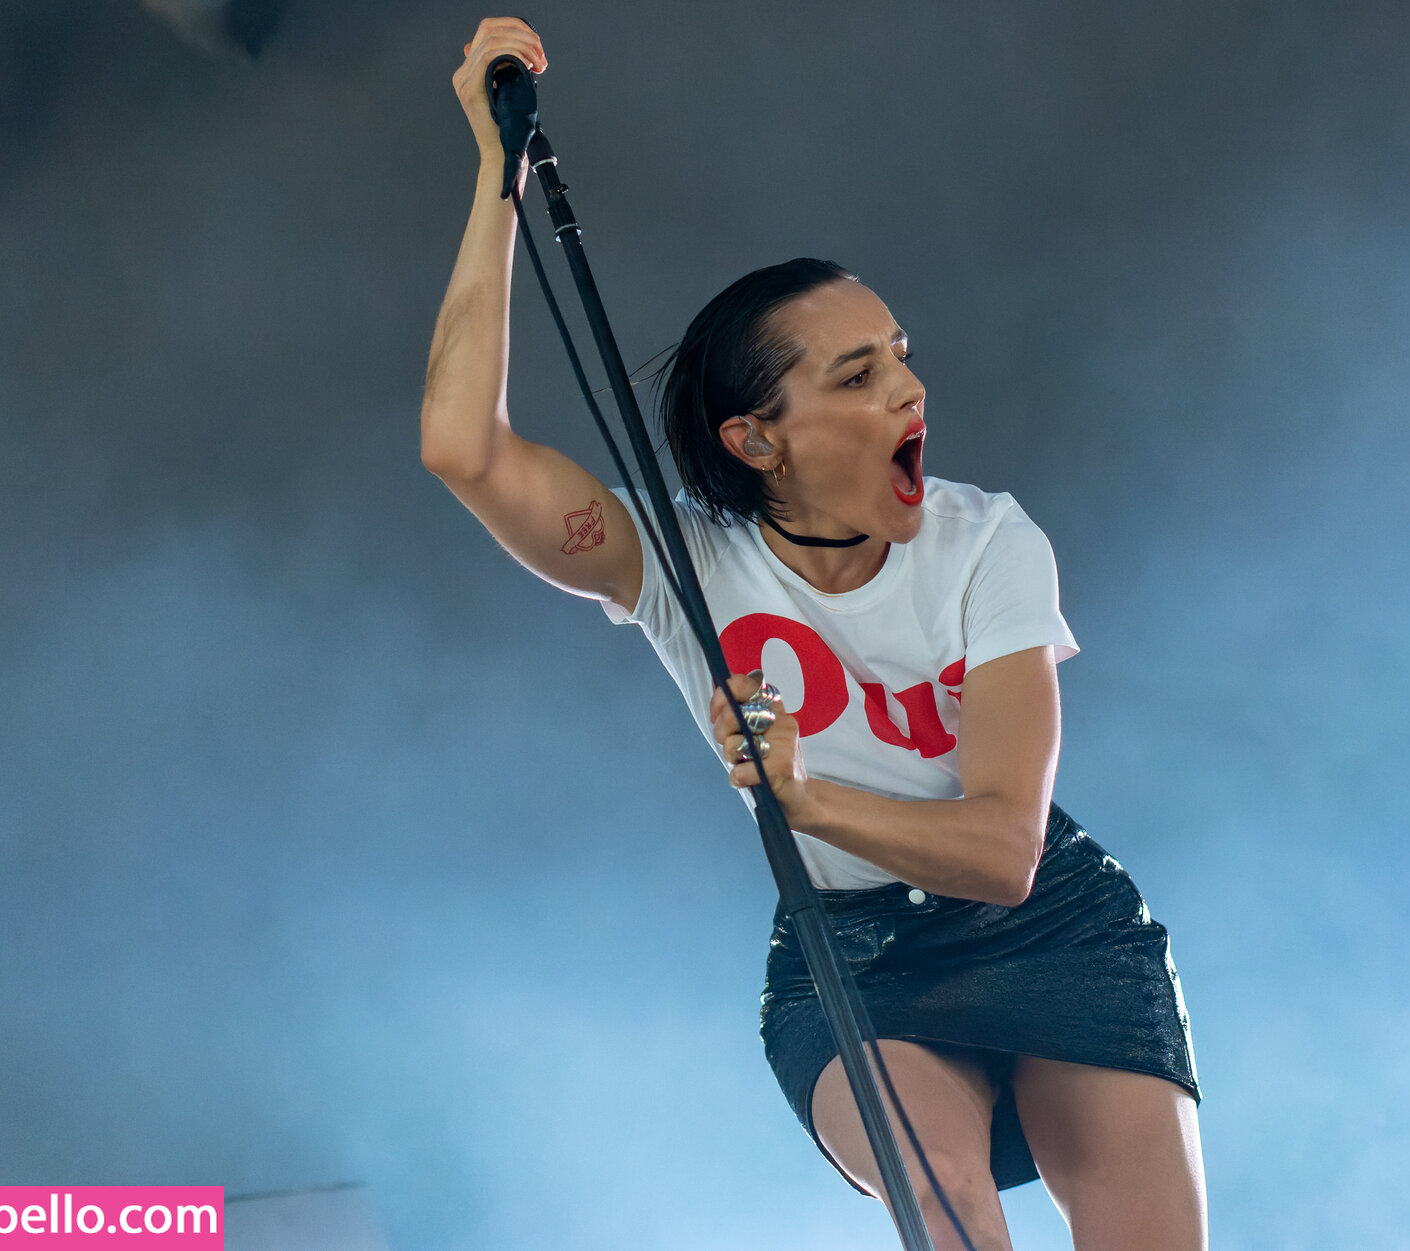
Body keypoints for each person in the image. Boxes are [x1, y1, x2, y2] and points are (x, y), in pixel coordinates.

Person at [421, 18, 1207, 1250]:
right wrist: (496, 173)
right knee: (943, 1208)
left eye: (899, 357)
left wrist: (805, 798)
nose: (909, 389)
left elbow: (1004, 852)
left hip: (1054, 925)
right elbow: (462, 449)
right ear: (756, 440)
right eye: (855, 377)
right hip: (854, 954)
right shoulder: (681, 564)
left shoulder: (989, 543)